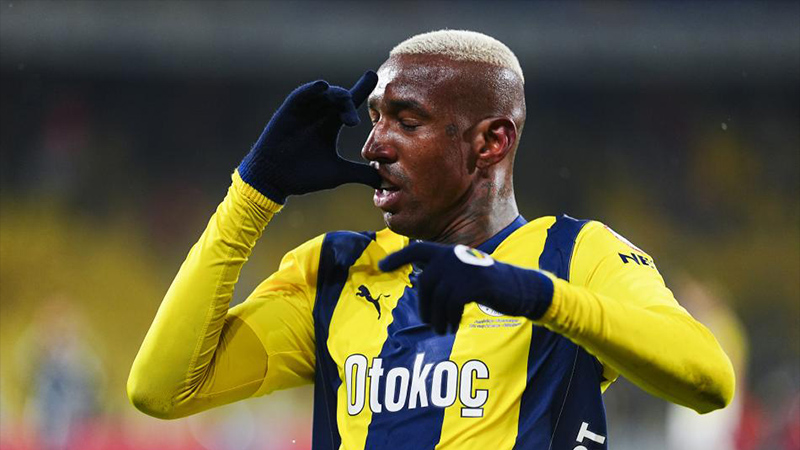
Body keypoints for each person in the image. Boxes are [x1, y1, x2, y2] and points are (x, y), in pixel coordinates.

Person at [127, 30, 735, 450]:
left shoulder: (576, 256)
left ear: (490, 142)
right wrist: (253, 193)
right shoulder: (335, 271)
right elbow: (160, 390)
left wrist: (539, 297)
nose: (373, 146)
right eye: (374, 118)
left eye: (407, 121)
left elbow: (709, 381)